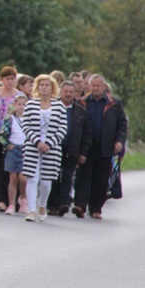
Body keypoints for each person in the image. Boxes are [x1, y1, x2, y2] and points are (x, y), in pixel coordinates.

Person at [74, 74, 127, 219]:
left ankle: (96, 208)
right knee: (83, 176)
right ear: (89, 87)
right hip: (86, 146)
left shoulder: (114, 104)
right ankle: (80, 205)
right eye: (93, 85)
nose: (95, 88)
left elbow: (122, 125)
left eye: (98, 85)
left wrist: (119, 141)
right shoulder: (82, 102)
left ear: (104, 86)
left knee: (101, 178)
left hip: (105, 145)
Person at [21, 75, 67, 223]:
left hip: (51, 148)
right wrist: (37, 142)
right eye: (41, 85)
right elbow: (25, 125)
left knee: (46, 181)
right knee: (32, 178)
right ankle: (31, 210)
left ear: (52, 88)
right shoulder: (31, 104)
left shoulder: (59, 106)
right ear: (37, 87)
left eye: (47, 85)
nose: (44, 87)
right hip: (32, 147)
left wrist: (49, 143)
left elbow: (63, 128)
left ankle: (42, 205)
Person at [47, 81, 91, 216]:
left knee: (67, 177)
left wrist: (83, 152)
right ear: (61, 92)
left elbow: (86, 133)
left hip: (71, 149)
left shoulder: (80, 110)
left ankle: (64, 203)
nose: (68, 94)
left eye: (71, 92)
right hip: (53, 148)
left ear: (74, 93)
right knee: (53, 177)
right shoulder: (52, 107)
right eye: (65, 91)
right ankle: (52, 205)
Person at [0, 66, 19, 213]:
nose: (10, 81)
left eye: (12, 78)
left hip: (10, 136)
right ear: (1, 79)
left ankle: (4, 200)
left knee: (6, 169)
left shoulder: (18, 96)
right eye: (7, 78)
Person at [0, 94, 29, 215]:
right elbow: (2, 133)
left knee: (23, 177)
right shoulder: (10, 118)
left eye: (24, 104)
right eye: (19, 104)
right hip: (13, 148)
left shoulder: (30, 119)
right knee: (13, 177)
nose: (21, 107)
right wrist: (7, 145)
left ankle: (23, 199)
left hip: (25, 149)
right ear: (15, 105)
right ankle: (11, 204)